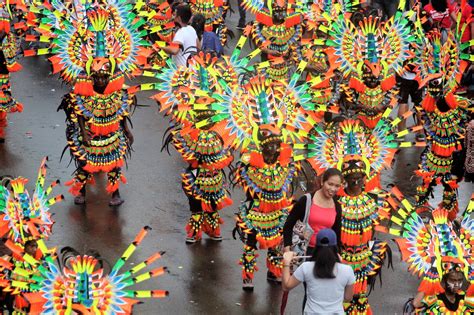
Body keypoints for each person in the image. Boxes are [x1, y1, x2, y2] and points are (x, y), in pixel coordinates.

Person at [282, 228, 355, 315]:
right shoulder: (347, 270)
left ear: (316, 247)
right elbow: (348, 297)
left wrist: (286, 262)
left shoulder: (306, 267)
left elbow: (286, 286)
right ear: (335, 248)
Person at [283, 168, 343, 255]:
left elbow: (336, 233)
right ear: (322, 182)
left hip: (325, 253)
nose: (333, 189)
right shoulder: (306, 200)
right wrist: (287, 249)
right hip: (303, 251)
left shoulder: (337, 206)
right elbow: (289, 225)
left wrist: (337, 254)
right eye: (330, 184)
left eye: (337, 186)